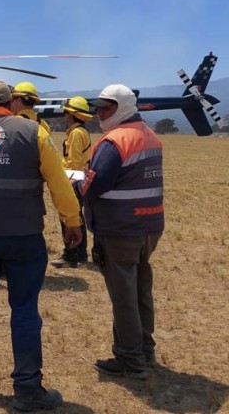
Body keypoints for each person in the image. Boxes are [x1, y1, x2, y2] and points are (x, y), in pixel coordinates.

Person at [0, 80, 82, 411]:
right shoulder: (34, 132)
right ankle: (27, 389)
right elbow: (58, 181)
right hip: (23, 236)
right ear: (11, 102)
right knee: (24, 310)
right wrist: (72, 221)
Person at [75, 84, 164, 380]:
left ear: (123, 107)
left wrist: (77, 185)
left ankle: (129, 359)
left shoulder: (115, 141)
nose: (99, 113)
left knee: (124, 296)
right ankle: (145, 350)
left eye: (106, 107)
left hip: (120, 229)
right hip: (149, 226)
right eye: (97, 107)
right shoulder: (150, 135)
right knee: (141, 289)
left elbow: (94, 184)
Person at [51, 96, 93, 268]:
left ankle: (71, 256)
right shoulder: (81, 132)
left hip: (73, 178)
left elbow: (73, 161)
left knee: (69, 218)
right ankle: (81, 254)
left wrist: (64, 180)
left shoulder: (75, 134)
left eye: (66, 112)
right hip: (79, 177)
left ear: (71, 114)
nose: (64, 115)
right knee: (78, 216)